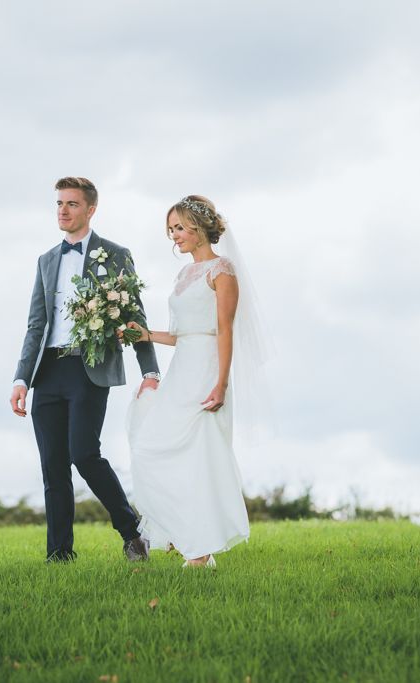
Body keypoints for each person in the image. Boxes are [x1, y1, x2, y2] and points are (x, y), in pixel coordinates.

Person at [10, 176, 160, 563]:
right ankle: (59, 555)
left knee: (84, 454)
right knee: (53, 469)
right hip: (49, 372)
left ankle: (132, 532)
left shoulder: (115, 254)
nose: (63, 210)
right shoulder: (46, 261)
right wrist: (21, 378)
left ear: (90, 209)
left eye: (72, 204)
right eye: (59, 203)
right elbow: (35, 325)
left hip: (89, 368)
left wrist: (150, 371)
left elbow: (134, 315)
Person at [124, 195, 267, 568]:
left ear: (200, 227)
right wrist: (147, 335)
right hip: (181, 369)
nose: (174, 236)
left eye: (180, 227)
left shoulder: (222, 270)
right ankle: (187, 535)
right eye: (170, 229)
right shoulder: (183, 274)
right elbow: (182, 333)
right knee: (150, 449)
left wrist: (220, 384)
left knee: (200, 457)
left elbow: (223, 331)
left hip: (206, 369)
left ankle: (200, 552)